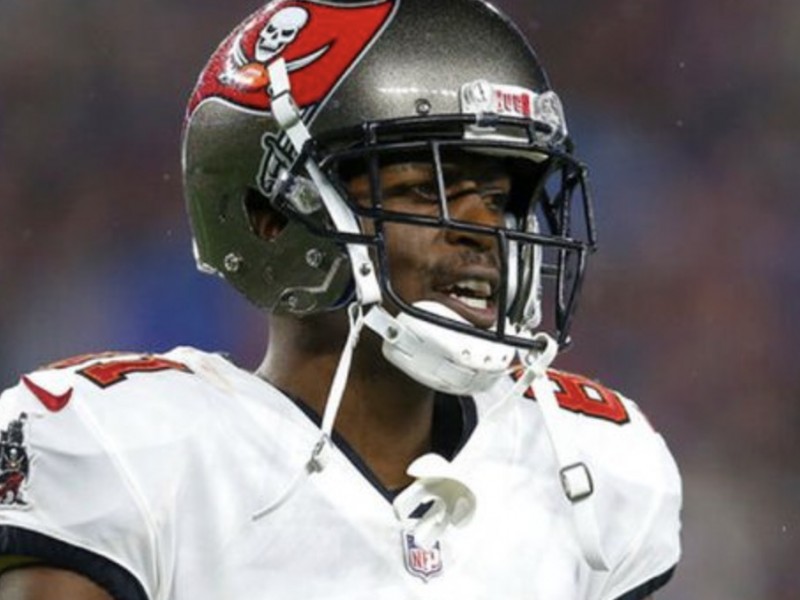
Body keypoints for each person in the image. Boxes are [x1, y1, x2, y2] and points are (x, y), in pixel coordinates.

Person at [0, 0, 682, 598]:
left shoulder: (589, 466)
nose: (484, 231)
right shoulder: (125, 448)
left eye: (499, 199)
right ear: (271, 215)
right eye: (425, 191)